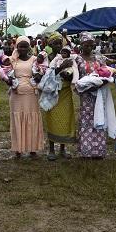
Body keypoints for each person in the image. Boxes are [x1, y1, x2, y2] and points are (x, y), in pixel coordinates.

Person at [75, 32, 110, 159]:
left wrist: (102, 82)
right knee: (86, 118)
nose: (89, 47)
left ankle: (98, 149)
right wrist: (85, 86)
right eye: (86, 45)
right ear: (81, 44)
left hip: (99, 92)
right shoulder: (77, 59)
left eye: (91, 45)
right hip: (85, 93)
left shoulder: (99, 58)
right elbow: (75, 78)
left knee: (99, 116)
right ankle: (86, 149)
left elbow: (107, 72)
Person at [9, 36, 44, 158]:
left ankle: (32, 148)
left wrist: (40, 76)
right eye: (20, 46)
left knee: (32, 119)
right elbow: (7, 74)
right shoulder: (13, 60)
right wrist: (9, 80)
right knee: (17, 119)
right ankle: (18, 149)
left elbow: (42, 71)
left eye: (25, 46)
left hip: (32, 95)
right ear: (16, 47)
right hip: (16, 95)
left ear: (29, 47)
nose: (23, 48)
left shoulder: (35, 59)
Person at [43, 32, 76, 160]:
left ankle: (63, 148)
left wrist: (70, 75)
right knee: (52, 119)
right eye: (55, 43)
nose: (58, 46)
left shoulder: (69, 56)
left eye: (60, 43)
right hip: (52, 92)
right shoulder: (47, 57)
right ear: (50, 45)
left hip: (65, 92)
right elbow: (45, 75)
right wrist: (60, 68)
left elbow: (74, 70)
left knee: (65, 119)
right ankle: (51, 149)